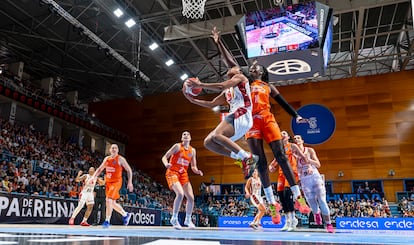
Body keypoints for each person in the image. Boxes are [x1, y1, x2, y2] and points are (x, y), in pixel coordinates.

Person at [211, 27, 309, 224]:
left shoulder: (267, 86)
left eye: (257, 67)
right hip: (251, 122)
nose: (254, 67)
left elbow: (283, 102)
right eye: (252, 66)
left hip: (267, 119)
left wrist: (296, 115)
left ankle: (298, 197)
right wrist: (218, 42)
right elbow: (231, 62)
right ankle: (272, 205)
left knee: (281, 156)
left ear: (263, 72)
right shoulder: (244, 81)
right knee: (261, 164)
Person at [182, 61, 258, 180]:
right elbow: (212, 104)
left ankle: (248, 157)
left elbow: (221, 85)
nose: (230, 68)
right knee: (208, 142)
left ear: (239, 71)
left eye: (234, 67)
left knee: (217, 135)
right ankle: (240, 157)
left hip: (242, 112)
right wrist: (193, 101)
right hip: (239, 118)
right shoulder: (227, 90)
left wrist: (200, 84)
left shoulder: (240, 77)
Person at [161, 131, 204, 229]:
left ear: (190, 138)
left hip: (183, 174)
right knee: (180, 194)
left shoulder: (193, 151)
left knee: (191, 198)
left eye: (187, 134)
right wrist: (166, 164)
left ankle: (188, 220)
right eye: (183, 134)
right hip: (172, 172)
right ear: (182, 139)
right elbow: (164, 157)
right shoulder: (177, 146)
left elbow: (193, 166)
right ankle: (174, 218)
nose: (186, 135)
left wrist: (197, 171)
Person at [269, 131, 310, 231]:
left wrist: (308, 166)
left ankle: (293, 219)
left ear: (287, 137)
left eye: (284, 133)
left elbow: (303, 156)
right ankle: (287, 221)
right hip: (281, 174)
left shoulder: (292, 146)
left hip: (291, 173)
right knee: (281, 196)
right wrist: (271, 166)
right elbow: (275, 160)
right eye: (280, 133)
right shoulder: (279, 148)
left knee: (287, 194)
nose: (281, 134)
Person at [293, 134, 334, 233]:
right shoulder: (293, 154)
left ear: (302, 140)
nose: (296, 140)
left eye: (298, 138)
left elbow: (318, 164)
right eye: (294, 139)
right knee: (312, 202)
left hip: (315, 176)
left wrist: (309, 160)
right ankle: (316, 213)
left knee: (322, 200)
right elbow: (295, 169)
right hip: (304, 179)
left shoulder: (309, 150)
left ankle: (328, 224)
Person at [93, 144, 134, 228]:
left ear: (118, 150)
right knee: (112, 203)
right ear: (110, 150)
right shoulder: (107, 159)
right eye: (112, 148)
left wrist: (130, 182)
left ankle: (107, 221)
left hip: (116, 182)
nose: (114, 149)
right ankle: (125, 214)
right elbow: (100, 169)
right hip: (108, 182)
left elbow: (129, 170)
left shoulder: (120, 159)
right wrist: (93, 177)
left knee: (108, 200)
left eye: (115, 148)